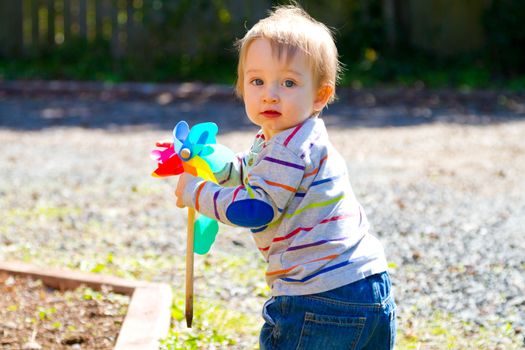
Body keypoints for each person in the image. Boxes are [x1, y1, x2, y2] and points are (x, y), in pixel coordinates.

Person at [175, 4, 396, 349]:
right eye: (257, 80)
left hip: (318, 296)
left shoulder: (287, 149)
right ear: (242, 86)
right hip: (368, 285)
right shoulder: (292, 137)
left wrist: (197, 193)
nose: (270, 93)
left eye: (288, 82)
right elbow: (254, 173)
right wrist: (217, 167)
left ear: (320, 95)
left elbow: (257, 208)